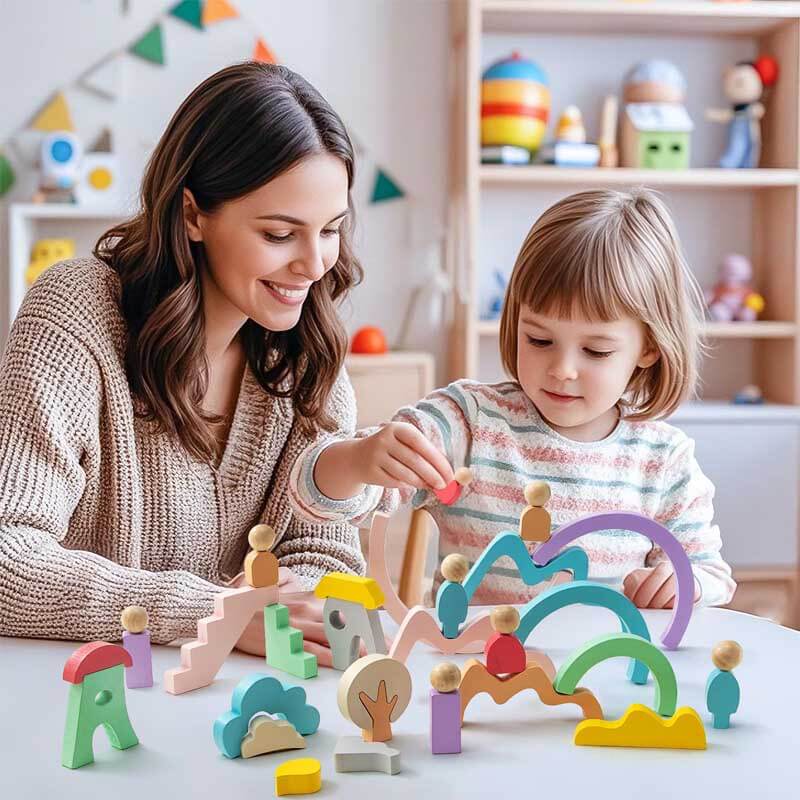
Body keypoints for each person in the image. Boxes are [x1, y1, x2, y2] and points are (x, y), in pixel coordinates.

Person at [0, 62, 368, 667]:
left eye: (330, 230)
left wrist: (282, 608)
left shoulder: (308, 355)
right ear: (193, 215)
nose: (314, 264)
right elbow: (8, 556)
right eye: (280, 235)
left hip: (234, 697)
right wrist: (215, 612)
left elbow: (323, 556)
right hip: (80, 694)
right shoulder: (75, 314)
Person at [290, 188, 737, 609]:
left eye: (596, 351)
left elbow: (711, 573)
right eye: (539, 339)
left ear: (649, 348)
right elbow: (315, 498)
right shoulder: (468, 423)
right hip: (474, 662)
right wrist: (356, 461)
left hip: (608, 664)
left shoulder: (663, 460)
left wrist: (686, 583)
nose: (562, 369)